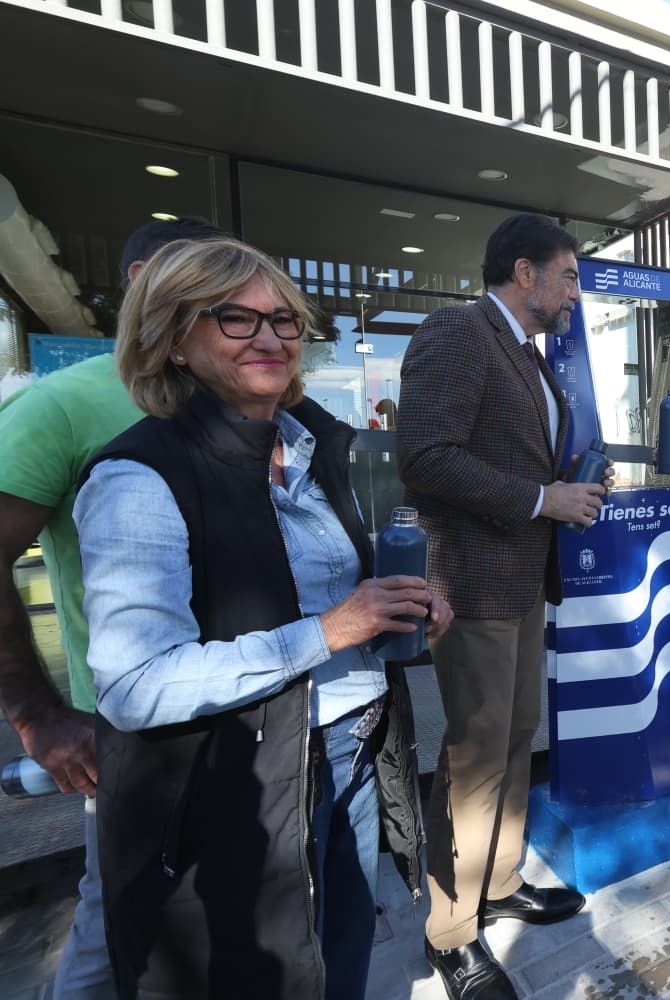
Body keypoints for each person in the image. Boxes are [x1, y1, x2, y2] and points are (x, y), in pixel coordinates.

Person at [73, 236, 450, 999]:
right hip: (241, 786)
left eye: (284, 320)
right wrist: (331, 630)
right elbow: (135, 685)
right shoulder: (138, 476)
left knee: (342, 952)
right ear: (173, 338)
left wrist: (401, 603)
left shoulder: (310, 447)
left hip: (354, 748)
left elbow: (325, 589)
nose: (272, 337)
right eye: (235, 320)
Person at [0, 215, 223, 1000]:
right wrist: (38, 714)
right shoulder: (61, 406)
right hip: (130, 732)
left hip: (247, 716)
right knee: (118, 920)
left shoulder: (236, 397)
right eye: (207, 285)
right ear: (143, 285)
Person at [399, 212, 605, 997]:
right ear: (526, 273)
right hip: (475, 582)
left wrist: (568, 490)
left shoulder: (527, 354)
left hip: (521, 580)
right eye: (570, 276)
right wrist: (539, 498)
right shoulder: (457, 332)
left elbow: (518, 461)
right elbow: (424, 457)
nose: (574, 293)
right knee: (477, 755)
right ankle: (451, 932)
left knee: (515, 740)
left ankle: (499, 881)